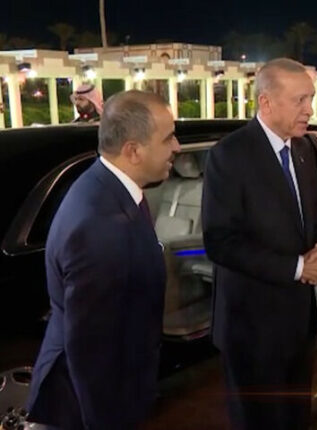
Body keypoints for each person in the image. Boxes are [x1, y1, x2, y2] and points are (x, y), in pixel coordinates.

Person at [26, 90, 180, 429]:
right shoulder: (100, 225)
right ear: (133, 151)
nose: (177, 146)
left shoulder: (106, 188)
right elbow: (90, 350)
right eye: (168, 137)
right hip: (88, 408)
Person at [202, 58, 317, 430]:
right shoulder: (229, 155)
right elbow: (220, 242)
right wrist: (299, 267)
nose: (309, 109)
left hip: (298, 324)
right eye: (300, 100)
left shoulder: (303, 150)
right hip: (252, 329)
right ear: (266, 102)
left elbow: (312, 216)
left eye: (310, 98)